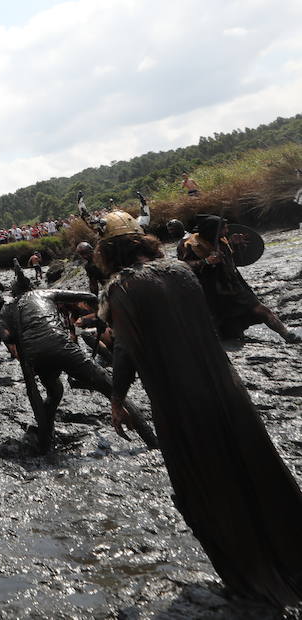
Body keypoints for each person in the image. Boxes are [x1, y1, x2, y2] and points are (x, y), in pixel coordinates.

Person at [96, 211, 302, 609]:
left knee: (206, 481)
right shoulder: (180, 271)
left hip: (179, 400)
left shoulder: (121, 288)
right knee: (254, 464)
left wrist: (117, 399)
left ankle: (248, 575)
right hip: (224, 388)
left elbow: (125, 351)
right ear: (144, 243)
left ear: (107, 252)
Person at [0, 264, 156, 453]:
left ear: (13, 293)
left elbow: (6, 336)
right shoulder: (45, 294)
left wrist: (18, 332)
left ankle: (46, 440)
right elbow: (89, 296)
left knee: (54, 392)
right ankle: (151, 440)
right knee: (109, 386)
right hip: (61, 346)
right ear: (31, 287)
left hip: (36, 355)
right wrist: (101, 317)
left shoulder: (7, 309)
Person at [177, 213, 299, 343]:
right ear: (213, 231)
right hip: (213, 293)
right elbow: (183, 266)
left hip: (234, 287)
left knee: (262, 310)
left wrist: (235, 245)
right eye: (224, 228)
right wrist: (206, 262)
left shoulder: (223, 241)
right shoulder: (191, 246)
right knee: (227, 330)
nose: (227, 231)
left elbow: (234, 261)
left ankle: (287, 335)